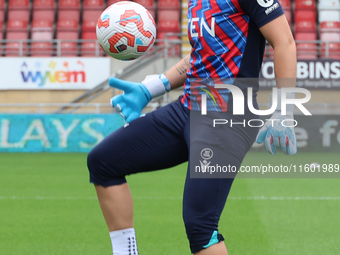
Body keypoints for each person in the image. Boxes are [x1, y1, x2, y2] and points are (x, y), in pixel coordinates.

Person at [87, 0, 297, 254]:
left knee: (201, 226)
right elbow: (201, 53)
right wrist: (152, 88)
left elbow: (284, 42)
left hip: (226, 117)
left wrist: (284, 109)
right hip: (187, 109)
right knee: (104, 161)